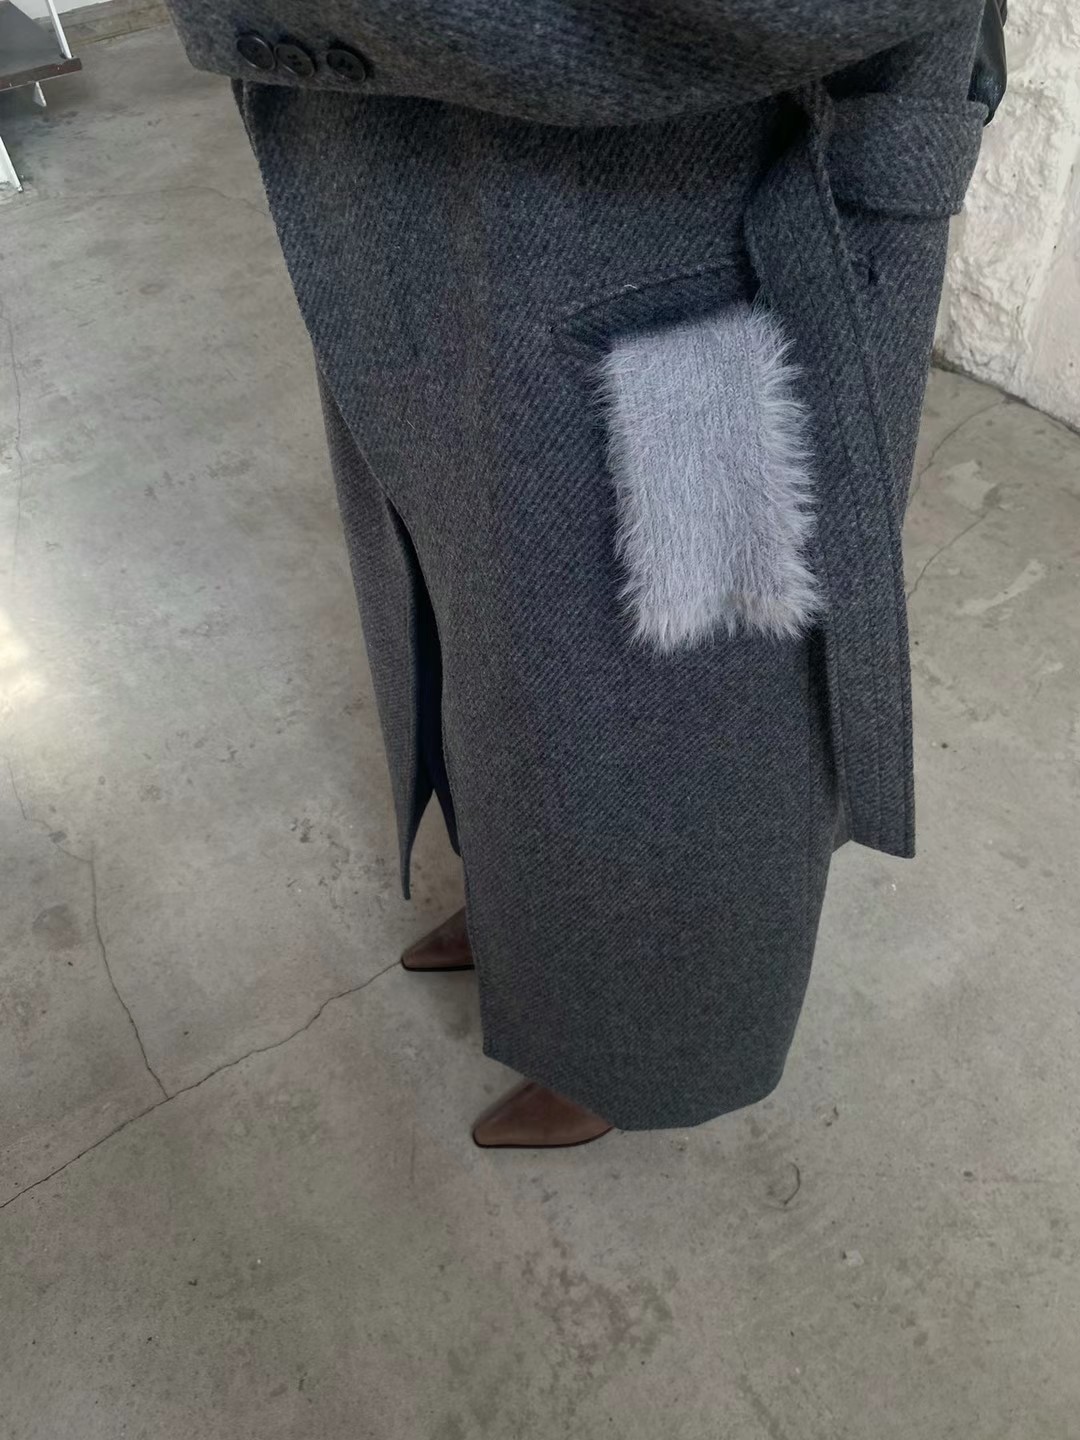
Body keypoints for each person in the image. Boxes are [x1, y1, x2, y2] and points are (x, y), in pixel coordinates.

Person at [164, 1, 1005, 1147]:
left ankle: (636, 1046)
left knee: (675, 734)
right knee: (492, 647)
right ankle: (536, 928)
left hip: (679, 247)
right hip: (418, 214)